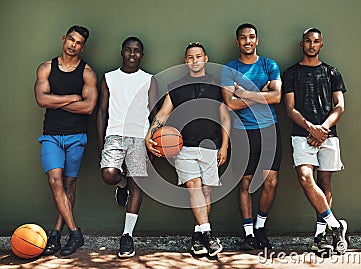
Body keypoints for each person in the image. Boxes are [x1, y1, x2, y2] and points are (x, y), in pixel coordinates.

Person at [145, 42, 230, 257]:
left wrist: (225, 146)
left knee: (206, 191)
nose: (195, 60)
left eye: (198, 56)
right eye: (191, 57)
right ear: (186, 61)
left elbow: (225, 117)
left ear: (206, 59)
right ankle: (209, 235)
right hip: (184, 149)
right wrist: (150, 133)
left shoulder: (216, 85)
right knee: (194, 187)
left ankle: (198, 235)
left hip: (211, 146)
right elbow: (163, 114)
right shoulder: (176, 86)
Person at [282, 28, 348, 254]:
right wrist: (312, 128)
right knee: (305, 178)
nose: (312, 45)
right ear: (302, 44)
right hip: (302, 135)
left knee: (325, 183)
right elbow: (289, 109)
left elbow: (340, 106)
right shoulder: (290, 73)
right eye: (308, 41)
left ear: (322, 45)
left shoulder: (332, 72)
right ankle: (335, 226)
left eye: (316, 41)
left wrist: (323, 129)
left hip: (328, 135)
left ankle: (321, 236)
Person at [34, 25, 98, 256]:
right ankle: (75, 232)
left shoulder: (87, 73)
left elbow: (89, 107)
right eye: (71, 39)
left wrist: (55, 100)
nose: (73, 45)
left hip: (76, 137)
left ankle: (56, 233)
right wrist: (72, 97)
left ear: (83, 46)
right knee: (55, 181)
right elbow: (41, 99)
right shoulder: (46, 68)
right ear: (64, 39)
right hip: (51, 135)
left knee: (69, 185)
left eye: (79, 42)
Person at [220, 23, 282, 250]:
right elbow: (230, 103)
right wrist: (262, 94)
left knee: (270, 182)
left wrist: (245, 93)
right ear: (238, 42)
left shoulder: (269, 64)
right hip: (243, 133)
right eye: (243, 38)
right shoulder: (229, 69)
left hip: (269, 130)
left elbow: (277, 97)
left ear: (257, 40)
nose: (248, 41)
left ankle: (260, 227)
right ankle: (248, 233)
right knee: (245, 182)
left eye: (252, 37)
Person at [96, 36, 157, 258]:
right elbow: (102, 111)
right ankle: (122, 184)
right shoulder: (109, 78)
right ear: (122, 52)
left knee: (138, 184)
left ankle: (127, 236)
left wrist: (152, 142)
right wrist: (102, 143)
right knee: (109, 174)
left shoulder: (149, 79)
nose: (133, 54)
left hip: (140, 136)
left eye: (137, 51)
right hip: (115, 135)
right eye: (128, 50)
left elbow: (154, 113)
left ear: (142, 54)